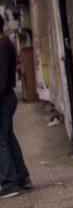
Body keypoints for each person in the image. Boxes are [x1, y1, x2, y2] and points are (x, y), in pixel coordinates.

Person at [0, 15, 31, 199]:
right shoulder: (6, 44)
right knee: (8, 138)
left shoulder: (3, 46)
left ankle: (10, 183)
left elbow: (1, 79)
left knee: (1, 141)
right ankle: (22, 177)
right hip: (6, 98)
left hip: (2, 99)